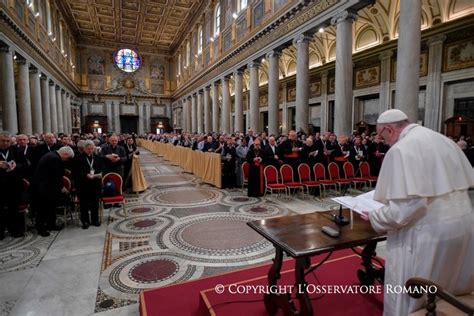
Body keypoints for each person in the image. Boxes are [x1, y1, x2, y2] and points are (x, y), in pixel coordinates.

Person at [360, 109, 474, 316]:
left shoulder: (402, 149)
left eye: (382, 135)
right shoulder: (443, 140)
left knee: (413, 293)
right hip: (462, 226)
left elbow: (405, 210)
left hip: (427, 234)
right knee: (448, 285)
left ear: (388, 129)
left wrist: (375, 217)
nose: (383, 141)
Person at [32, 146, 75, 237]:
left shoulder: (52, 155)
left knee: (51, 207)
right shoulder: (54, 159)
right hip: (44, 188)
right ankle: (41, 228)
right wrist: (62, 187)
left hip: (47, 187)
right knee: (43, 209)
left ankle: (51, 224)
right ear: (65, 154)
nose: (66, 160)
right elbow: (55, 176)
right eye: (68, 158)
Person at [73, 140, 103, 229]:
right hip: (83, 185)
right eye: (88, 149)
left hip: (95, 184)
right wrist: (86, 175)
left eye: (92, 149)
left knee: (95, 203)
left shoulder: (97, 157)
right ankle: (85, 221)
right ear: (84, 149)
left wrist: (100, 174)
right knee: (84, 204)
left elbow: (102, 168)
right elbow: (75, 172)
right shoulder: (78, 158)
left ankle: (95, 220)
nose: (90, 150)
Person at [0, 132, 24, 239]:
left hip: (13, 184)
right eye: (3, 141)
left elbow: (25, 164)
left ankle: (14, 230)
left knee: (13, 208)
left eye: (7, 141)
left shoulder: (16, 150)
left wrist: (16, 165)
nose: (5, 143)